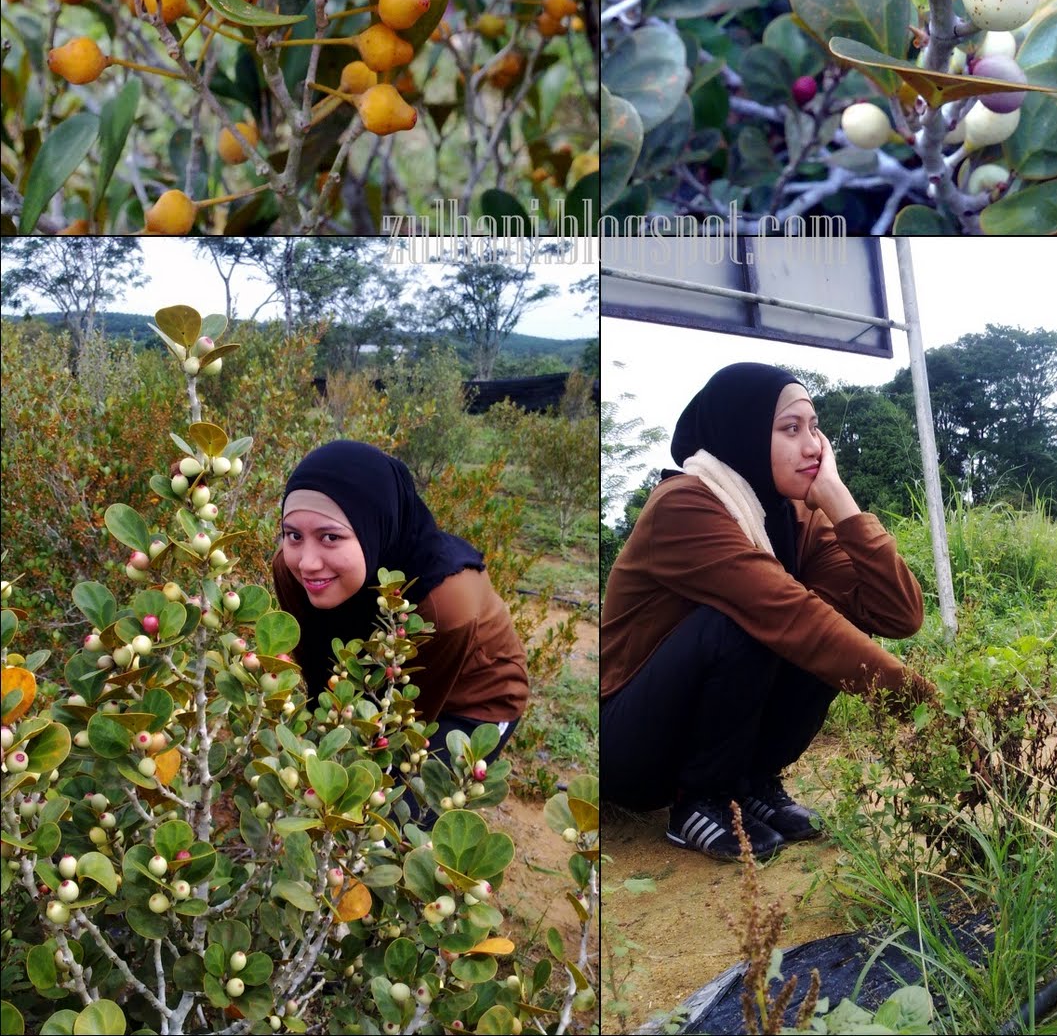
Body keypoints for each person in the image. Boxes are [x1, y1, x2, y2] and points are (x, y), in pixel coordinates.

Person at [601, 363, 934, 860]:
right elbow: (789, 616)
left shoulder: (798, 514)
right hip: (630, 745)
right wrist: (926, 705)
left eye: (815, 427)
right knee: (749, 621)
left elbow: (899, 613)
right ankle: (700, 801)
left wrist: (840, 503)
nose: (813, 445)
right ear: (744, 432)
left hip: (697, 733)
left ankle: (749, 784)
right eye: (790, 429)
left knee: (825, 623)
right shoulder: (685, 507)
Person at [272, 440, 527, 808]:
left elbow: (406, 724)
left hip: (473, 696)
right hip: (376, 666)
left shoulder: (446, 605)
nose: (307, 562)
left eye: (331, 537)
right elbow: (314, 662)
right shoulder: (290, 567)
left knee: (404, 814)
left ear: (377, 527)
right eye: (293, 534)